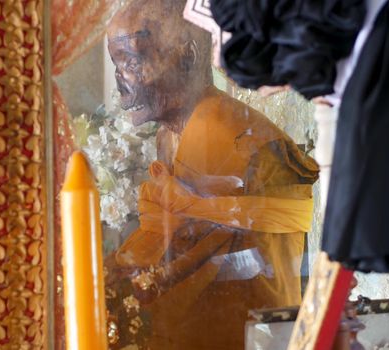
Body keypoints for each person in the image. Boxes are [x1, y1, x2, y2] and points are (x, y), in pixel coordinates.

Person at [103, 0, 319, 348]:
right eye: (117, 63)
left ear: (187, 56)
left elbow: (265, 288)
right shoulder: (171, 135)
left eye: (132, 60)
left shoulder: (247, 147)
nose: (121, 79)